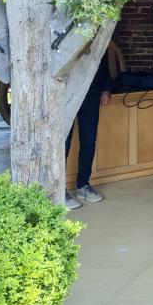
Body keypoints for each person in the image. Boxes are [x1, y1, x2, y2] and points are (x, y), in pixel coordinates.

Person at [65, 54, 113, 209]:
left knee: (89, 141)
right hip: (65, 92)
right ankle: (58, 189)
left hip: (91, 93)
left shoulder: (94, 34)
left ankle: (83, 185)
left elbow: (101, 60)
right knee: (63, 143)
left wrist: (106, 88)